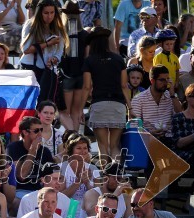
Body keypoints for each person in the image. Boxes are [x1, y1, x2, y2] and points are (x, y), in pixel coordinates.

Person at [80, 26, 130, 163]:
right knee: (114, 146)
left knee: (103, 147)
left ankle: (106, 180)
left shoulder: (89, 60)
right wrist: (130, 108)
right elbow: (124, 85)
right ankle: (116, 177)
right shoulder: (118, 59)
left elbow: (86, 87)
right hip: (118, 105)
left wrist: (80, 110)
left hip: (99, 104)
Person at [131, 64, 182, 145]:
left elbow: (180, 115)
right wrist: (149, 133)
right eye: (162, 80)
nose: (165, 83)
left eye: (167, 79)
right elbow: (133, 126)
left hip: (170, 139)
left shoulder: (171, 97)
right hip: (147, 140)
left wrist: (172, 95)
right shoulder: (139, 99)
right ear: (152, 81)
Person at [19, 0, 67, 83]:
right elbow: (26, 49)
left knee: (47, 95)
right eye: (46, 13)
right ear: (39, 13)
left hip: (48, 70)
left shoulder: (58, 28)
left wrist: (55, 58)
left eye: (52, 12)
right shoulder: (31, 25)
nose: (49, 16)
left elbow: (59, 51)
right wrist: (48, 43)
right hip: (31, 69)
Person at [7, 116, 54, 198]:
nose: (40, 134)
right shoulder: (13, 148)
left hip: (40, 192)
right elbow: (21, 175)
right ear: (25, 132)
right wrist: (33, 150)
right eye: (36, 131)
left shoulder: (45, 151)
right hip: (20, 191)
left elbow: (49, 178)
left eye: (41, 130)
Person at [59, 1, 88, 131]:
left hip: (66, 75)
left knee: (65, 112)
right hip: (81, 76)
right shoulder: (85, 35)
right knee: (76, 111)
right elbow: (87, 59)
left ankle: (70, 138)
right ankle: (75, 138)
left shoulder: (61, 34)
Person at [59, 133, 98, 218]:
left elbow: (98, 197)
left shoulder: (93, 168)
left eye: (85, 148)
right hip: (67, 212)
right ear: (71, 150)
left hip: (86, 213)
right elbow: (60, 197)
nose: (83, 151)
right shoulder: (61, 168)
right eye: (78, 148)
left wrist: (87, 182)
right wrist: (79, 182)